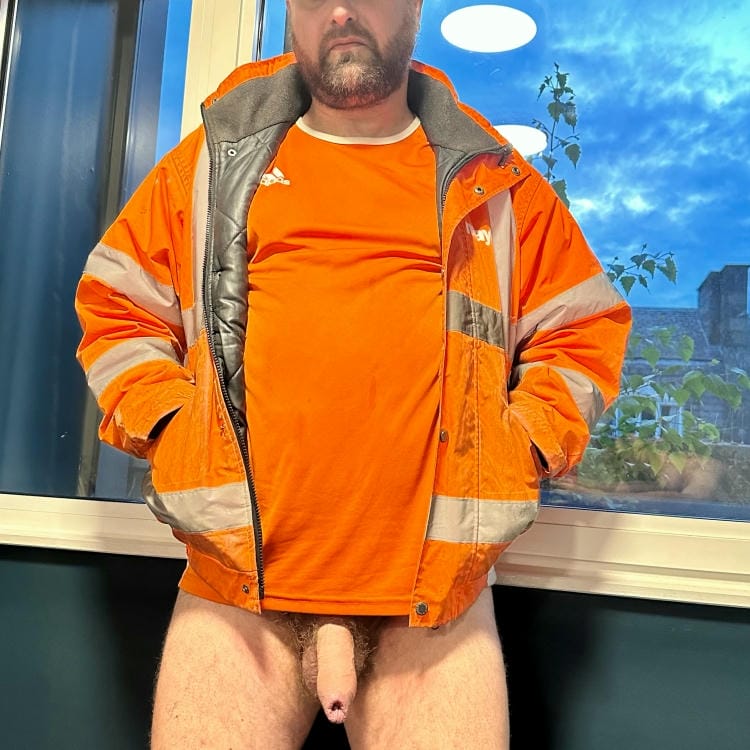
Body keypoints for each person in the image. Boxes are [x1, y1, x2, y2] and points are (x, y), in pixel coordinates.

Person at [75, 1, 631, 747]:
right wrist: (177, 428)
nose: (339, 11)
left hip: (434, 601)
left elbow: (584, 326)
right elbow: (116, 305)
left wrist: (519, 446)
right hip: (237, 590)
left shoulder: (494, 180)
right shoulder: (212, 160)